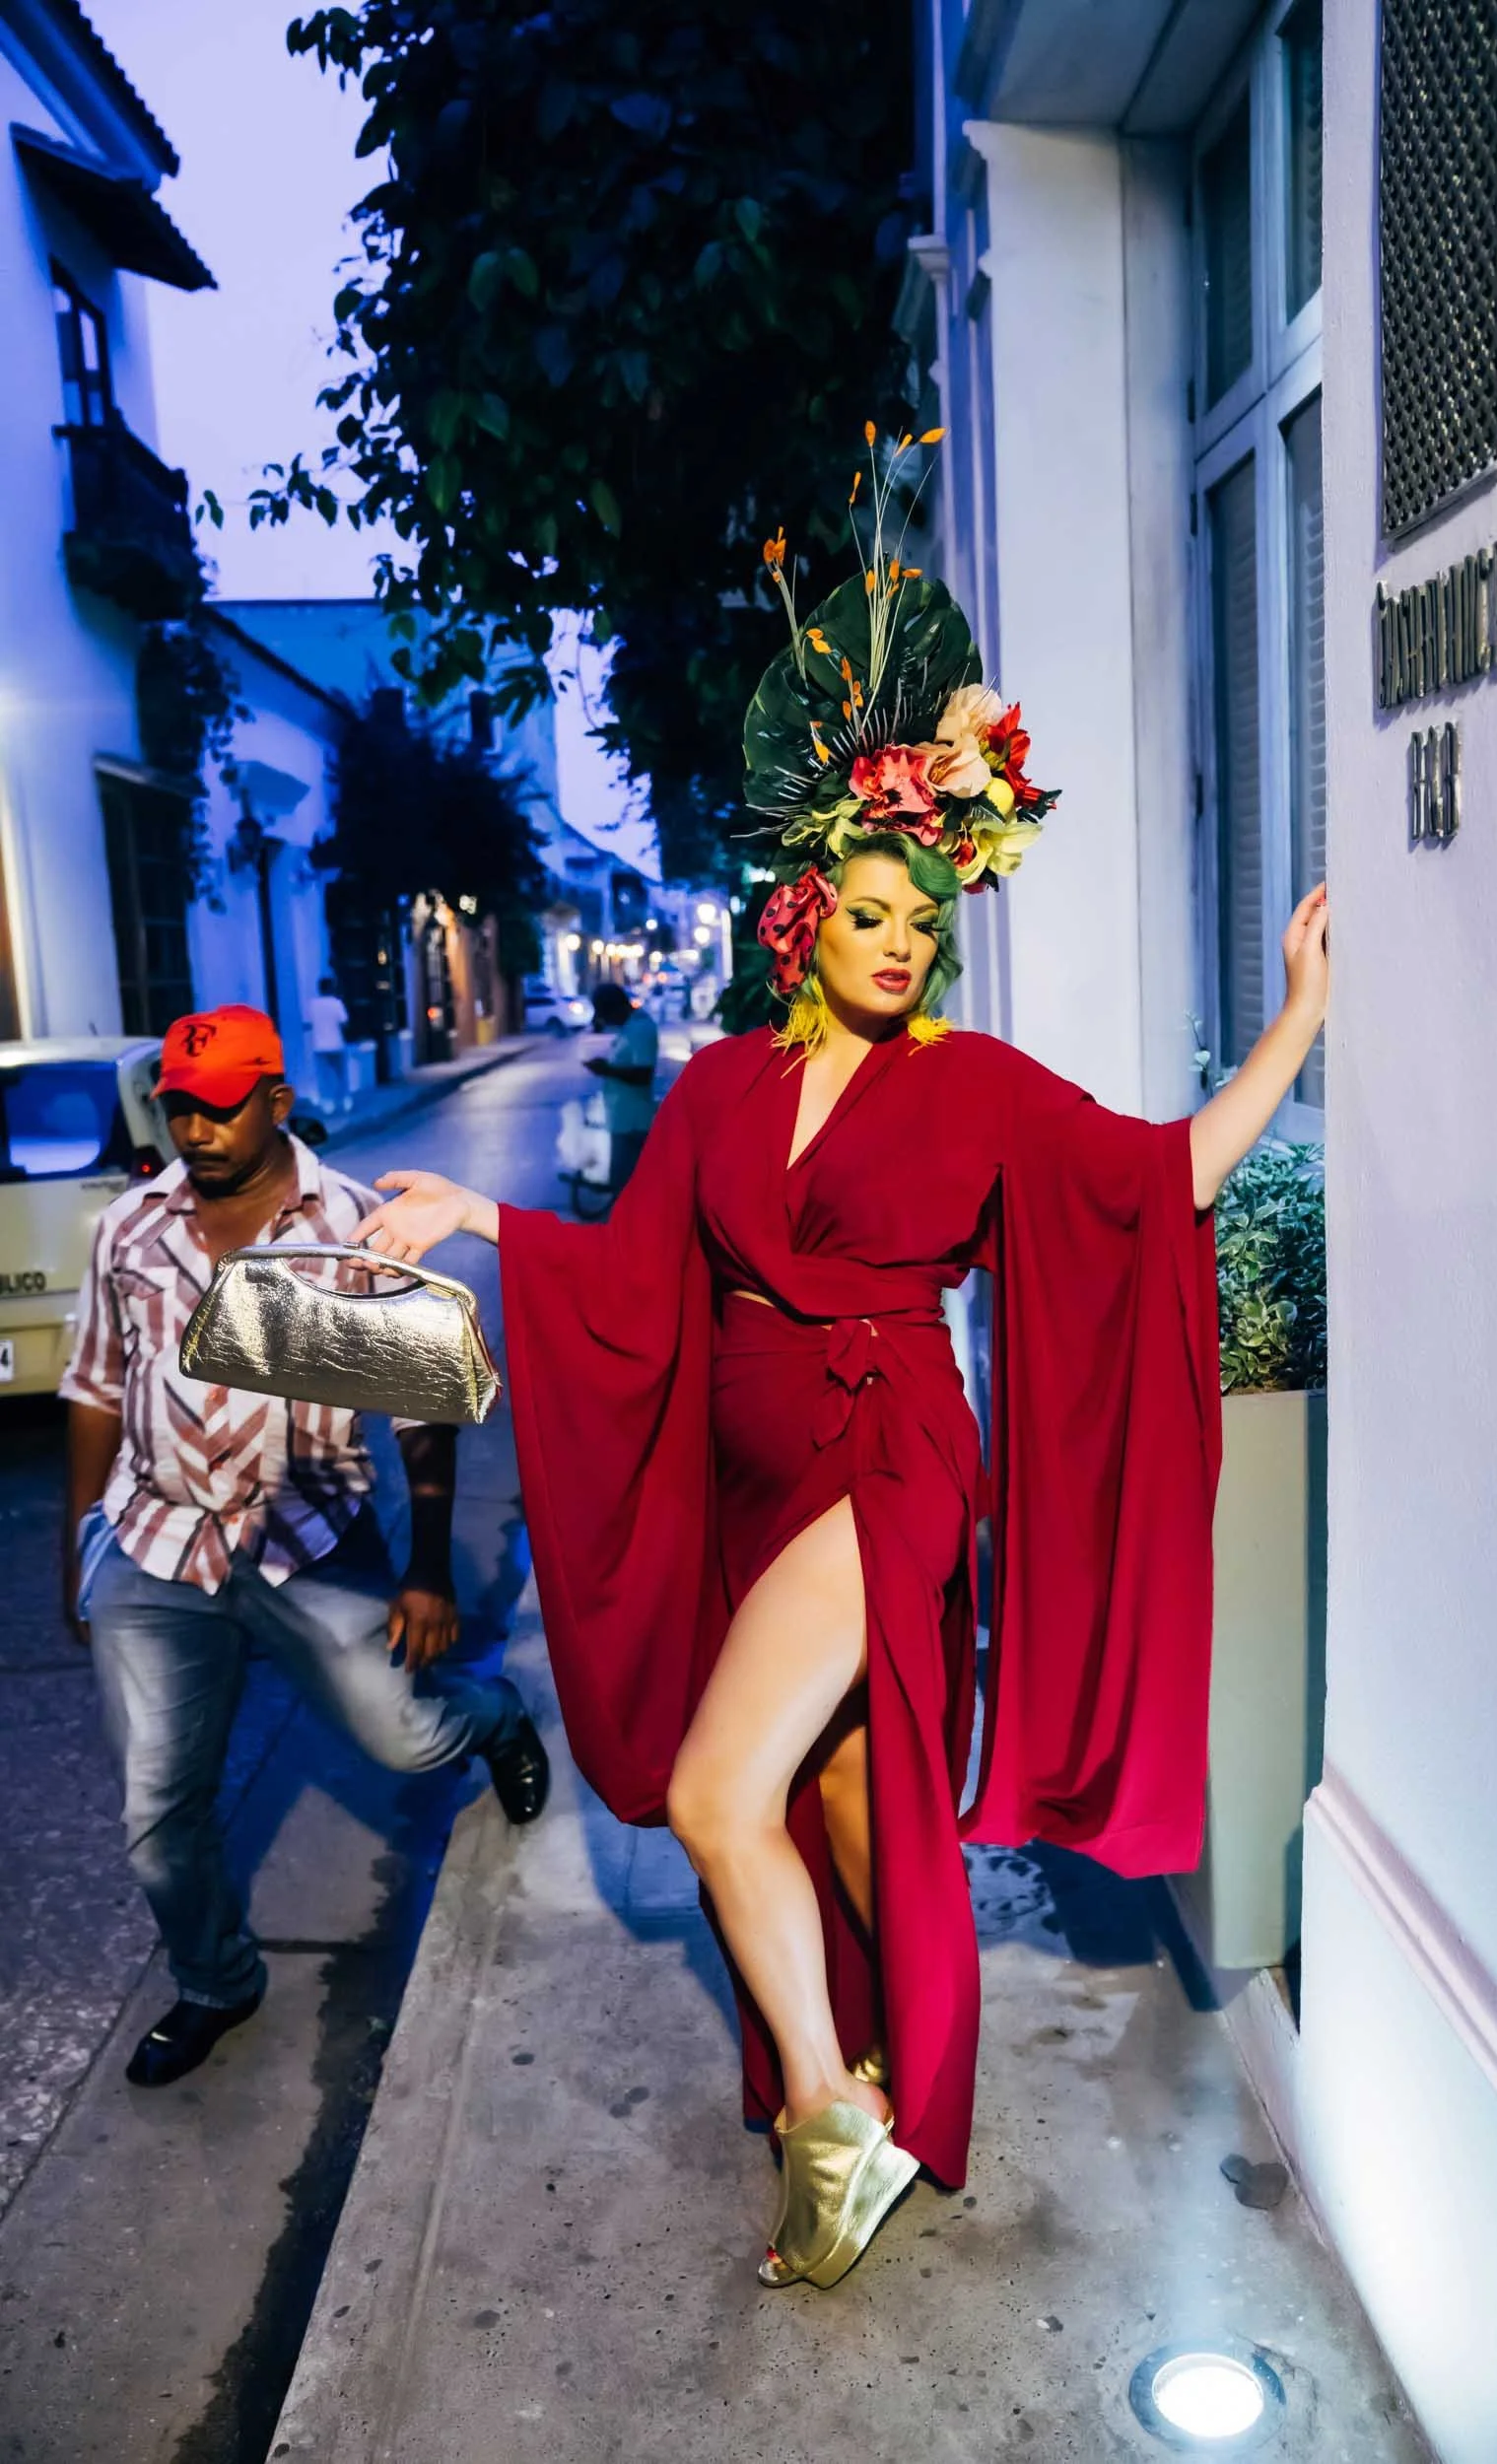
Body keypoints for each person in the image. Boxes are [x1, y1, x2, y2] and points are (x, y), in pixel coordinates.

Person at [353, 459, 1328, 2292]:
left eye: (920, 921)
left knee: (726, 1794)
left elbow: (1158, 1179)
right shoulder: (719, 1090)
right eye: (869, 913)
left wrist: (1292, 1021)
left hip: (891, 1468)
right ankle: (910, 2051)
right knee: (853, 1807)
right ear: (807, 916)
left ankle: (834, 2127)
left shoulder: (972, 1088)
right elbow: (635, 1270)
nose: (899, 942)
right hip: (752, 1484)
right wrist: (476, 1227)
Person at [60, 1003, 549, 2090]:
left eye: (220, 1107)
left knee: (404, 1737)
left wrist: (426, 1567)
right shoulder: (127, 1229)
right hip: (155, 1546)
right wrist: (79, 1536)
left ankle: (498, 1716)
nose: (196, 1129)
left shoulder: (356, 1225)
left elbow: (422, 1407)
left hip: (309, 1540)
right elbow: (95, 1384)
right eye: (179, 1106)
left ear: (276, 1102)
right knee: (156, 1807)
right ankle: (216, 1980)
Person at [583, 982, 658, 1198]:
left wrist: (607, 1070)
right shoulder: (628, 1025)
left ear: (617, 1008)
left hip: (633, 1121)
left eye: (607, 1013)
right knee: (624, 1184)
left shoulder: (641, 1028)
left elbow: (643, 1074)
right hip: (621, 1118)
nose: (607, 1020)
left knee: (625, 1187)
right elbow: (599, 1028)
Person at [305, 974, 353, 1116]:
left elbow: (307, 1024)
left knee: (324, 1076)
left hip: (319, 1045)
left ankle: (328, 1102)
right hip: (336, 1043)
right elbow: (345, 1022)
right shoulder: (336, 1003)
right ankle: (345, 1099)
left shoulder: (312, 1005)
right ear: (332, 988)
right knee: (341, 1074)